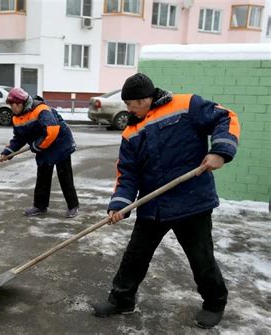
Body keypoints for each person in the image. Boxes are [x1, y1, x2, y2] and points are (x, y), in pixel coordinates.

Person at [91, 73, 240, 329]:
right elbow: (128, 173)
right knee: (135, 255)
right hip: (154, 205)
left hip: (191, 200)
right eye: (126, 103)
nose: (129, 109)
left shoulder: (186, 105)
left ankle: (214, 302)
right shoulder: (131, 132)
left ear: (146, 98)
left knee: (200, 257)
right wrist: (119, 205)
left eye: (132, 103)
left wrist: (220, 152)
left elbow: (225, 117)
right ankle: (122, 300)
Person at [0, 88, 79, 218]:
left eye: (12, 105)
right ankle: (40, 206)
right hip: (43, 145)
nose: (11, 108)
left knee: (64, 176)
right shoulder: (17, 118)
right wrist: (8, 152)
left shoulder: (41, 110)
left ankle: (73, 206)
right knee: (42, 176)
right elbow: (19, 138)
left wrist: (37, 146)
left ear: (20, 104)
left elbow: (52, 130)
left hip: (60, 143)